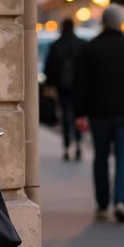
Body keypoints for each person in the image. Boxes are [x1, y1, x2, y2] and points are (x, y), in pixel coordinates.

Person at [74, 4, 124, 223]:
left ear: (103, 22)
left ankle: (103, 203)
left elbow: (82, 83)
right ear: (121, 22)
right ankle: (121, 202)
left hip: (99, 112)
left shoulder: (90, 48)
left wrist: (80, 113)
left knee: (101, 157)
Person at [44, 18, 86, 160]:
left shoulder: (56, 45)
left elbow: (49, 67)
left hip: (62, 87)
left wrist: (50, 85)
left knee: (65, 116)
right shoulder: (81, 44)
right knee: (78, 115)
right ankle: (79, 143)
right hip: (79, 87)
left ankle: (67, 146)